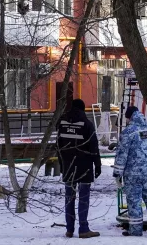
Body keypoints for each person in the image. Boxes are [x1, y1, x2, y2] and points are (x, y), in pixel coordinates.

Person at [113, 106, 147, 237]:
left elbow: (122, 155)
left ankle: (135, 231)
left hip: (133, 174)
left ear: (129, 117)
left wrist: (117, 174)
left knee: (134, 201)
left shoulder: (128, 132)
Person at [56, 99, 101, 239]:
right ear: (82, 109)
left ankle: (69, 229)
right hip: (84, 166)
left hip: (68, 166)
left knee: (69, 198)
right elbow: (93, 146)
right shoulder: (87, 124)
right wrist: (97, 165)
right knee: (84, 198)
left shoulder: (62, 123)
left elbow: (58, 146)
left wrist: (62, 164)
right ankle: (83, 229)